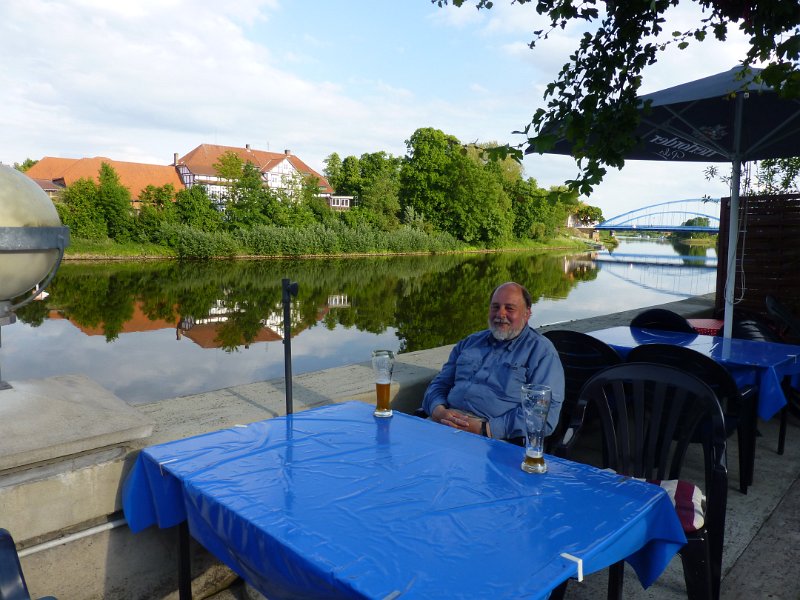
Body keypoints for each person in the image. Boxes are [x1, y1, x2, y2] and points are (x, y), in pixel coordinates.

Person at [422, 281, 565, 443]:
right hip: (443, 423)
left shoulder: (541, 352)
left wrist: (485, 429)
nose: (500, 314)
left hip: (493, 439)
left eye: (509, 308)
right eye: (495, 307)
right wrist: (437, 410)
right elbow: (439, 384)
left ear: (527, 314)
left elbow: (545, 415)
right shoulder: (470, 342)